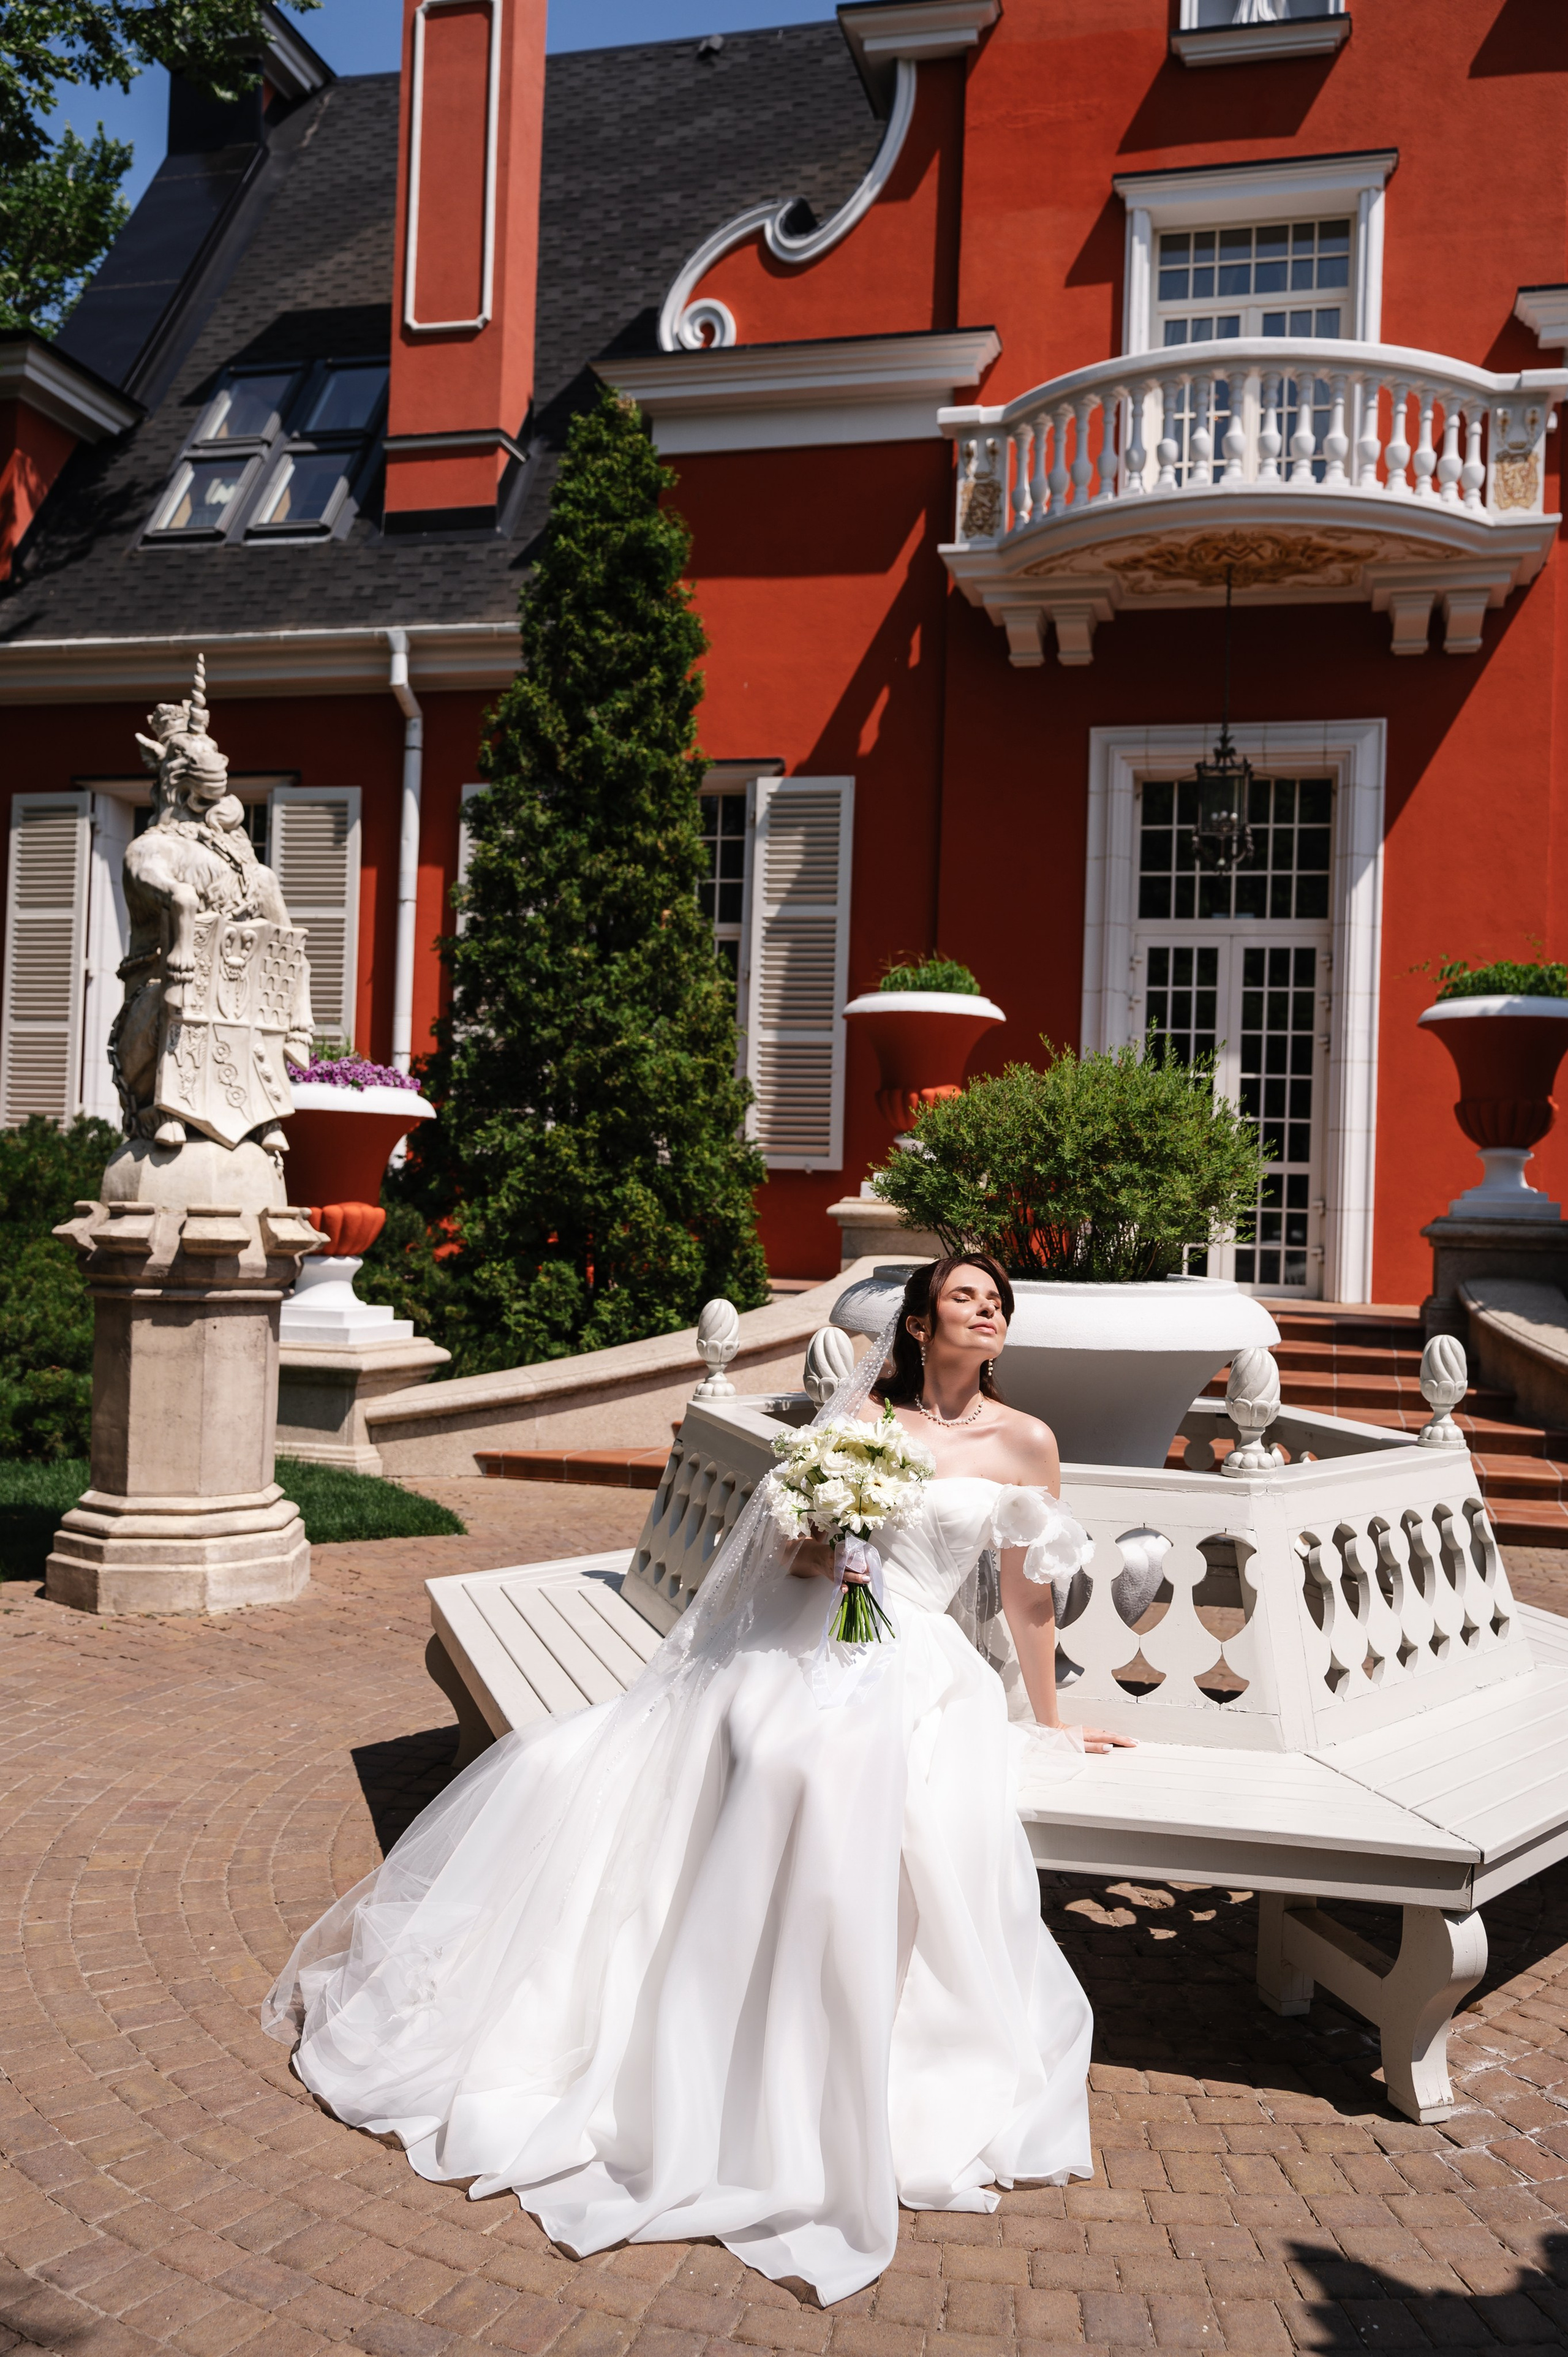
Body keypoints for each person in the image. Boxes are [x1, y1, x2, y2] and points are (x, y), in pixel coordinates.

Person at [263, 1253, 1133, 2306]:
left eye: (1000, 1303)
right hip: (814, 1630)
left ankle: (842, 2047)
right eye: (968, 1297)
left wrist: (1052, 1721)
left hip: (921, 1662)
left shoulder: (1024, 1440)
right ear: (918, 1325)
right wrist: (837, 1543)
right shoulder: (864, 1424)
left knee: (855, 1768)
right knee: (767, 1746)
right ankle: (703, 2018)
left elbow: (1025, 1596)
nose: (989, 1312)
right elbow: (796, 1558)